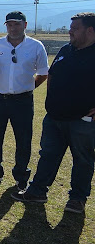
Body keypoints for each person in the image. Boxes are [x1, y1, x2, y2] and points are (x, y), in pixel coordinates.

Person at [12, 12, 95, 214]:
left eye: (75, 28)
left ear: (90, 30)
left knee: (82, 160)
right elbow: (52, 75)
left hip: (82, 120)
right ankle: (38, 191)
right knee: (48, 155)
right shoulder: (66, 49)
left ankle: (77, 199)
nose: (70, 31)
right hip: (54, 117)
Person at [0, 11, 49, 190]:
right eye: (9, 25)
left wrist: (26, 89)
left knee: (23, 139)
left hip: (23, 101)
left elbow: (43, 73)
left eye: (17, 24)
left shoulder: (36, 46)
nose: (13, 28)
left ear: (25, 25)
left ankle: (21, 176)